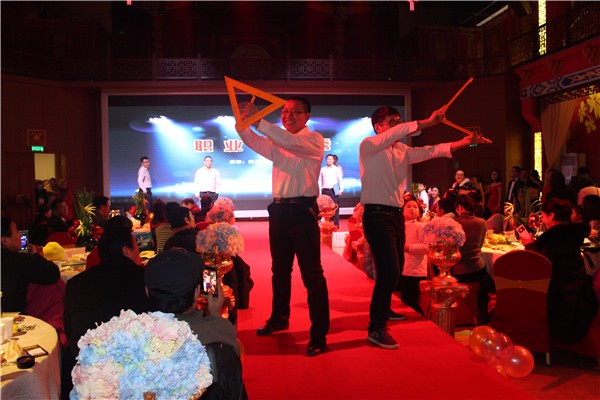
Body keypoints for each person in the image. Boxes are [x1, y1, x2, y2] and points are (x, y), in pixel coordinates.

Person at [359, 105, 481, 349]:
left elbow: (432, 151)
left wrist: (464, 142)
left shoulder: (401, 150)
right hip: (376, 215)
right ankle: (376, 328)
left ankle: (384, 309)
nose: (398, 126)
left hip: (395, 215)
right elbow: (403, 132)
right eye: (392, 122)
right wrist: (428, 121)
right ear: (378, 127)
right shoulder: (368, 145)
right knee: (390, 270)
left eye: (399, 121)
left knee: (394, 269)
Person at [237, 96, 330, 357]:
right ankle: (279, 318)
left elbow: (289, 141)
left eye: (295, 112)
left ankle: (319, 333)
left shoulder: (313, 140)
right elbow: (255, 142)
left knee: (312, 274)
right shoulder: (280, 143)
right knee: (279, 270)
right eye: (285, 111)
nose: (288, 116)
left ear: (307, 116)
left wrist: (258, 120)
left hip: (302, 211)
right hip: (278, 210)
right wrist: (243, 123)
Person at [63, 216, 151, 396]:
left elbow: (69, 328)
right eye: (136, 248)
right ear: (126, 251)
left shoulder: (75, 283)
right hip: (135, 371)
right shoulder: (145, 279)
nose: (139, 254)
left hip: (84, 370)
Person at [145, 249, 247, 399]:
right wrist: (216, 316)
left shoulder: (131, 335)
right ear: (196, 293)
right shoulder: (220, 332)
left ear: (147, 292)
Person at [521, 198, 598, 344]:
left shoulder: (554, 237)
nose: (543, 220)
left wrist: (529, 245)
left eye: (544, 216)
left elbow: (540, 264)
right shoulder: (572, 233)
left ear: (551, 215)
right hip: (576, 289)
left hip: (558, 294)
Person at [1, 217, 60, 313]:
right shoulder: (19, 260)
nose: (20, 235)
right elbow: (53, 273)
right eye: (17, 231)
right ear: (5, 240)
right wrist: (36, 255)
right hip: (13, 317)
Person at [452, 193, 491, 325]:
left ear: (460, 207)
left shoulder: (454, 222)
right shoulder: (482, 222)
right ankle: (482, 318)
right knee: (485, 285)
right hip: (477, 268)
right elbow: (480, 246)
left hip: (459, 269)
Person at [399, 196, 428, 315]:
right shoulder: (400, 225)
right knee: (404, 299)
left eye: (415, 207)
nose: (412, 209)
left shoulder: (421, 226)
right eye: (409, 206)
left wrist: (408, 247)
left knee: (413, 300)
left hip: (415, 269)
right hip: (402, 267)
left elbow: (426, 247)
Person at [319, 154, 343, 227]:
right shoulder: (322, 169)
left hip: (335, 188)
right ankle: (326, 222)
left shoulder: (336, 169)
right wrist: (320, 191)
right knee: (325, 207)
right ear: (326, 160)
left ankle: (336, 223)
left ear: (333, 160)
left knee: (335, 206)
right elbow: (320, 181)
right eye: (328, 159)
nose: (329, 160)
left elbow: (340, 180)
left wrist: (341, 189)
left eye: (331, 159)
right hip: (325, 189)